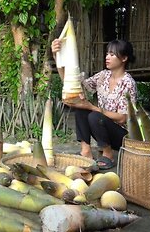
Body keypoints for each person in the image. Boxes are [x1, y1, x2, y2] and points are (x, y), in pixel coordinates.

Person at [51, 39, 137, 169]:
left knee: (94, 115)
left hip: (122, 136)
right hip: (101, 129)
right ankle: (86, 151)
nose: (107, 57)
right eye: (107, 54)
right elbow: (75, 85)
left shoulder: (128, 83)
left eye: (112, 55)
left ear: (124, 58)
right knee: (81, 108)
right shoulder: (103, 76)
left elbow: (122, 118)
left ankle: (108, 154)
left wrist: (92, 107)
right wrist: (57, 55)